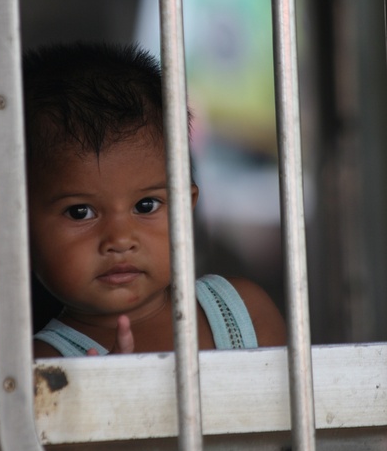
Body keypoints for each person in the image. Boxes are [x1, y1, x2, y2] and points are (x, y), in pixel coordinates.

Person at [24, 42, 286, 358]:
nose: (120, 240)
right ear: (21, 228)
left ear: (185, 209)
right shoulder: (41, 365)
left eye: (146, 206)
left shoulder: (240, 311)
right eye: (80, 212)